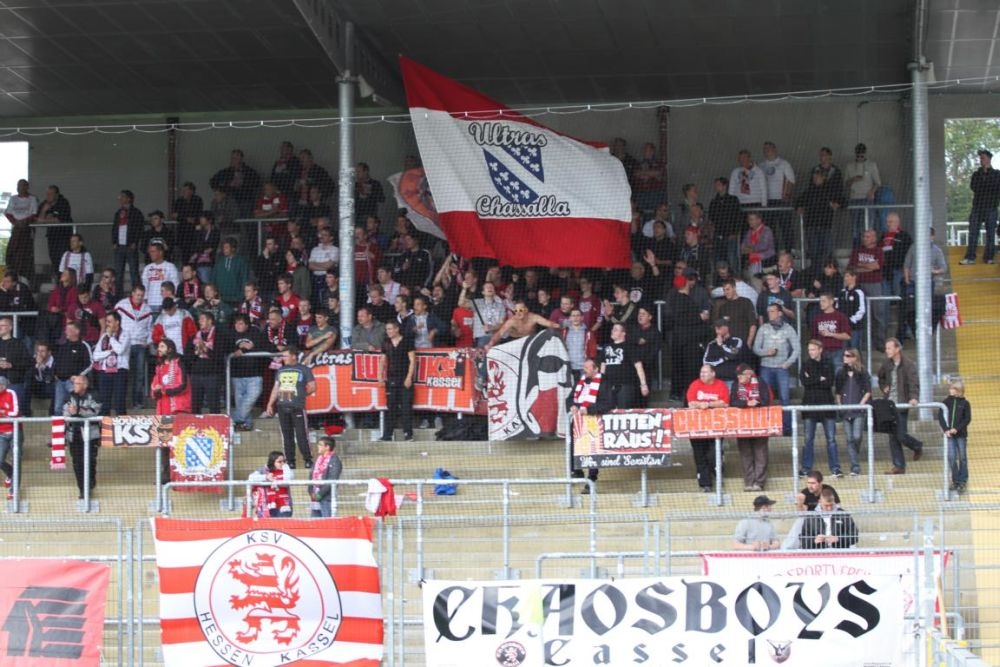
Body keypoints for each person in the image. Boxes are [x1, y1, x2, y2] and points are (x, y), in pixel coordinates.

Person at [877, 338, 923, 474]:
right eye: (886, 348)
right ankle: (899, 465)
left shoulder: (908, 364)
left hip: (901, 403)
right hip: (889, 404)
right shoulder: (886, 364)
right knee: (892, 436)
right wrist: (884, 387)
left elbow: (914, 383)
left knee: (901, 435)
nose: (887, 351)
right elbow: (881, 377)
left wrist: (914, 397)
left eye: (889, 348)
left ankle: (916, 445)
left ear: (897, 349)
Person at [266, 346, 316, 469]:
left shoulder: (304, 369)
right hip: (282, 407)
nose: (283, 358)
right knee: (286, 435)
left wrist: (301, 395)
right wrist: (270, 404)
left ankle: (308, 459)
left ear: (293, 356)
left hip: (297, 407)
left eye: (285, 355)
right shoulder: (280, 370)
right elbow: (276, 388)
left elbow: (313, 387)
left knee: (301, 435)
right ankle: (290, 461)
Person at [686, 365, 731, 492]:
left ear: (713, 373)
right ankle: (705, 484)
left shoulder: (721, 385)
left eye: (705, 372)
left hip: (716, 426)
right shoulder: (695, 384)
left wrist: (708, 404)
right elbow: (691, 403)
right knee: (700, 455)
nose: (702, 374)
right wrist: (703, 405)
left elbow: (725, 403)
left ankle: (718, 475)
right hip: (696, 426)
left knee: (713, 454)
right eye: (701, 372)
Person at [799, 340, 840, 477]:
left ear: (820, 349)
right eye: (809, 350)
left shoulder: (828, 363)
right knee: (808, 439)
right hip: (810, 405)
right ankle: (806, 468)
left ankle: (835, 468)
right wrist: (819, 379)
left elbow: (829, 382)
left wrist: (813, 379)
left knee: (831, 439)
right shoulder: (805, 364)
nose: (811, 352)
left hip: (827, 405)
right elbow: (804, 382)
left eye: (813, 349)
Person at [730, 363, 772, 492]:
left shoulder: (760, 382)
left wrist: (756, 403)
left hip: (760, 423)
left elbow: (767, 399)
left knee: (761, 453)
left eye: (741, 375)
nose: (739, 378)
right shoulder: (735, 384)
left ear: (749, 374)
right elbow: (732, 402)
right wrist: (746, 403)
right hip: (742, 424)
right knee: (745, 453)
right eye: (738, 376)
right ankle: (749, 482)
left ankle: (759, 482)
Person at [834, 347, 871, 476]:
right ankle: (855, 466)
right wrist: (840, 405)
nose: (845, 358)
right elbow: (838, 392)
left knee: (857, 436)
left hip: (858, 411)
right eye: (844, 355)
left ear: (855, 358)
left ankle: (854, 455)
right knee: (849, 438)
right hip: (845, 411)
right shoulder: (840, 373)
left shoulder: (862, 372)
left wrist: (861, 404)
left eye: (848, 356)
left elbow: (868, 391)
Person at [115, 285, 153, 410]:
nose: (139, 297)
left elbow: (151, 328)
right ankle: (120, 403)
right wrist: (117, 339)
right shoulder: (121, 305)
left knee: (139, 375)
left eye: (142, 295)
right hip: (125, 345)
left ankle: (138, 402)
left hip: (140, 345)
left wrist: (148, 341)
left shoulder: (147, 309)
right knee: (122, 373)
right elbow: (114, 322)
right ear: (132, 293)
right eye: (137, 295)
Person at [64, 374, 102, 498]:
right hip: (73, 435)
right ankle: (83, 489)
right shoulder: (69, 396)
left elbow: (95, 412)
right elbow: (65, 412)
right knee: (77, 463)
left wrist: (78, 411)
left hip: (90, 435)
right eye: (74, 383)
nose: (74, 386)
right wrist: (73, 413)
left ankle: (90, 482)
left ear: (85, 385)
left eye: (77, 383)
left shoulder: (94, 395)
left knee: (90, 461)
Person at [961, 148, 1000, 265]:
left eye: (983, 158)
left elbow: (996, 188)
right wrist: (987, 186)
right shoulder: (976, 174)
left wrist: (986, 186)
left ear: (989, 159)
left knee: (990, 234)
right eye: (980, 158)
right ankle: (970, 257)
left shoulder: (997, 174)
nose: (981, 160)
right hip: (977, 207)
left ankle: (989, 257)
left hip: (991, 207)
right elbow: (974, 187)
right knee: (973, 232)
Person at [379, 320, 415, 442]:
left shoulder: (407, 341)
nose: (388, 331)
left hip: (404, 378)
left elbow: (412, 361)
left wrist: (409, 377)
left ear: (396, 329)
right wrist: (380, 376)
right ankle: (387, 435)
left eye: (390, 329)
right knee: (391, 407)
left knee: (406, 407)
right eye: (387, 329)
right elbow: (382, 360)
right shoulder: (386, 342)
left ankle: (408, 434)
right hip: (392, 379)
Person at [230, 314, 267, 431]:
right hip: (237, 375)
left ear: (247, 325)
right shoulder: (231, 334)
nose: (238, 325)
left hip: (254, 374)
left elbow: (263, 347)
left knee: (251, 398)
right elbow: (226, 348)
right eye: (236, 323)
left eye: (241, 323)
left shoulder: (255, 333)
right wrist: (242, 348)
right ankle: (246, 424)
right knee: (241, 403)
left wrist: (247, 349)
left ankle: (234, 419)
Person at [91, 312, 129, 416]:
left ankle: (121, 425)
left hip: (120, 371)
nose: (107, 324)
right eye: (106, 321)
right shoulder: (104, 336)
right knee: (104, 402)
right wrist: (109, 352)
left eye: (109, 321)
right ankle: (104, 426)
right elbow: (95, 355)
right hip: (104, 372)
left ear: (117, 322)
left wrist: (111, 337)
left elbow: (120, 350)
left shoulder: (125, 334)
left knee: (119, 401)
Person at [844, 143, 882, 243]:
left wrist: (871, 192)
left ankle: (868, 246)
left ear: (865, 154)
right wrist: (853, 179)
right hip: (854, 198)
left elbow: (878, 183)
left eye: (862, 156)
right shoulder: (849, 166)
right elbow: (846, 183)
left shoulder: (871, 165)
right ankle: (856, 247)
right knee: (855, 226)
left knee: (867, 225)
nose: (860, 158)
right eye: (858, 156)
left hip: (867, 198)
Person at [52, 321, 92, 417]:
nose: (66, 332)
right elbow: (56, 362)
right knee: (58, 408)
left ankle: (74, 426)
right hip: (60, 382)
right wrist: (55, 373)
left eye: (69, 330)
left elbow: (90, 363)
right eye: (66, 330)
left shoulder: (83, 345)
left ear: (77, 331)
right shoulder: (63, 346)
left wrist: (78, 377)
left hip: (74, 383)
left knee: (75, 406)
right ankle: (60, 427)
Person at [939, 379, 972, 494]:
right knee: (951, 457)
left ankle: (963, 480)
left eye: (953, 388)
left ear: (958, 390)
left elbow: (967, 419)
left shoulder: (965, 403)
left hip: (961, 435)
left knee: (962, 457)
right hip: (949, 436)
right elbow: (941, 416)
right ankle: (956, 480)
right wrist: (946, 429)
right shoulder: (946, 402)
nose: (950, 390)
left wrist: (956, 429)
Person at [110, 189, 145, 296]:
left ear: (129, 199)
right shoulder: (118, 213)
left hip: (130, 246)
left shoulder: (136, 213)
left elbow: (139, 228)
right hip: (119, 246)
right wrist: (114, 242)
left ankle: (136, 294)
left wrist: (135, 242)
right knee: (118, 273)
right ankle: (118, 296)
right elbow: (114, 228)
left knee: (134, 272)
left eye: (122, 196)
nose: (120, 199)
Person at [4, 179, 38, 285]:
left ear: (27, 187)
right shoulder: (13, 199)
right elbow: (8, 213)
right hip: (17, 228)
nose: (20, 188)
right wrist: (16, 222)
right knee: (12, 251)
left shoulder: (32, 199)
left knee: (24, 253)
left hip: (26, 229)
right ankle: (12, 272)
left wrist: (25, 221)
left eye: (22, 186)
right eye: (18, 186)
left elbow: (34, 213)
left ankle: (24, 277)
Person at [37, 184, 73, 281]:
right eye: (47, 194)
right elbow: (38, 220)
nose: (48, 196)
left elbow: (59, 220)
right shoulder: (44, 204)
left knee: (63, 257)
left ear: (56, 194)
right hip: (52, 235)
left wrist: (45, 220)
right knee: (53, 257)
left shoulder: (63, 202)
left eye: (50, 194)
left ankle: (66, 278)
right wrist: (44, 211)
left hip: (64, 235)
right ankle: (58, 279)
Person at [151, 337, 191, 415]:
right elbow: (154, 386)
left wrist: (165, 391)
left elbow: (184, 385)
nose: (159, 349)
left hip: (178, 407)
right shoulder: (159, 367)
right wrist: (156, 390)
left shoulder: (179, 363)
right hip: (163, 407)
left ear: (170, 349)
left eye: (162, 347)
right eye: (158, 347)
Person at [811, 293, 852, 369]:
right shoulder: (817, 318)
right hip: (822, 352)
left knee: (838, 373)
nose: (821, 303)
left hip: (837, 351)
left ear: (831, 302)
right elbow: (814, 337)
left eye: (824, 301)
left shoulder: (840, 316)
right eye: (820, 301)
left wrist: (831, 334)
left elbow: (847, 336)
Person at [248, 451, 295, 518]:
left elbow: (288, 479)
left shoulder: (287, 471)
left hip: (284, 506)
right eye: (279, 462)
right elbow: (251, 478)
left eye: (284, 461)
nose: (282, 463)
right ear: (272, 462)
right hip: (268, 506)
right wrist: (266, 477)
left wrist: (286, 466)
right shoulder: (263, 470)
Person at [310, 437, 343, 518]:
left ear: (327, 447)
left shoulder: (334, 461)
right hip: (314, 496)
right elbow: (311, 475)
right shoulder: (318, 459)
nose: (318, 446)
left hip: (326, 497)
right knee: (314, 522)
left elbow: (332, 479)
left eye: (320, 445)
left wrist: (319, 495)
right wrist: (310, 491)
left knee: (327, 521)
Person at [0, 376, 20, 499]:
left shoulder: (11, 393)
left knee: (15, 460)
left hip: (14, 432)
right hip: (1, 433)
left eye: (1, 385)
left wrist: (3, 413)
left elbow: (15, 412)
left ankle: (13, 490)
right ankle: (10, 473)